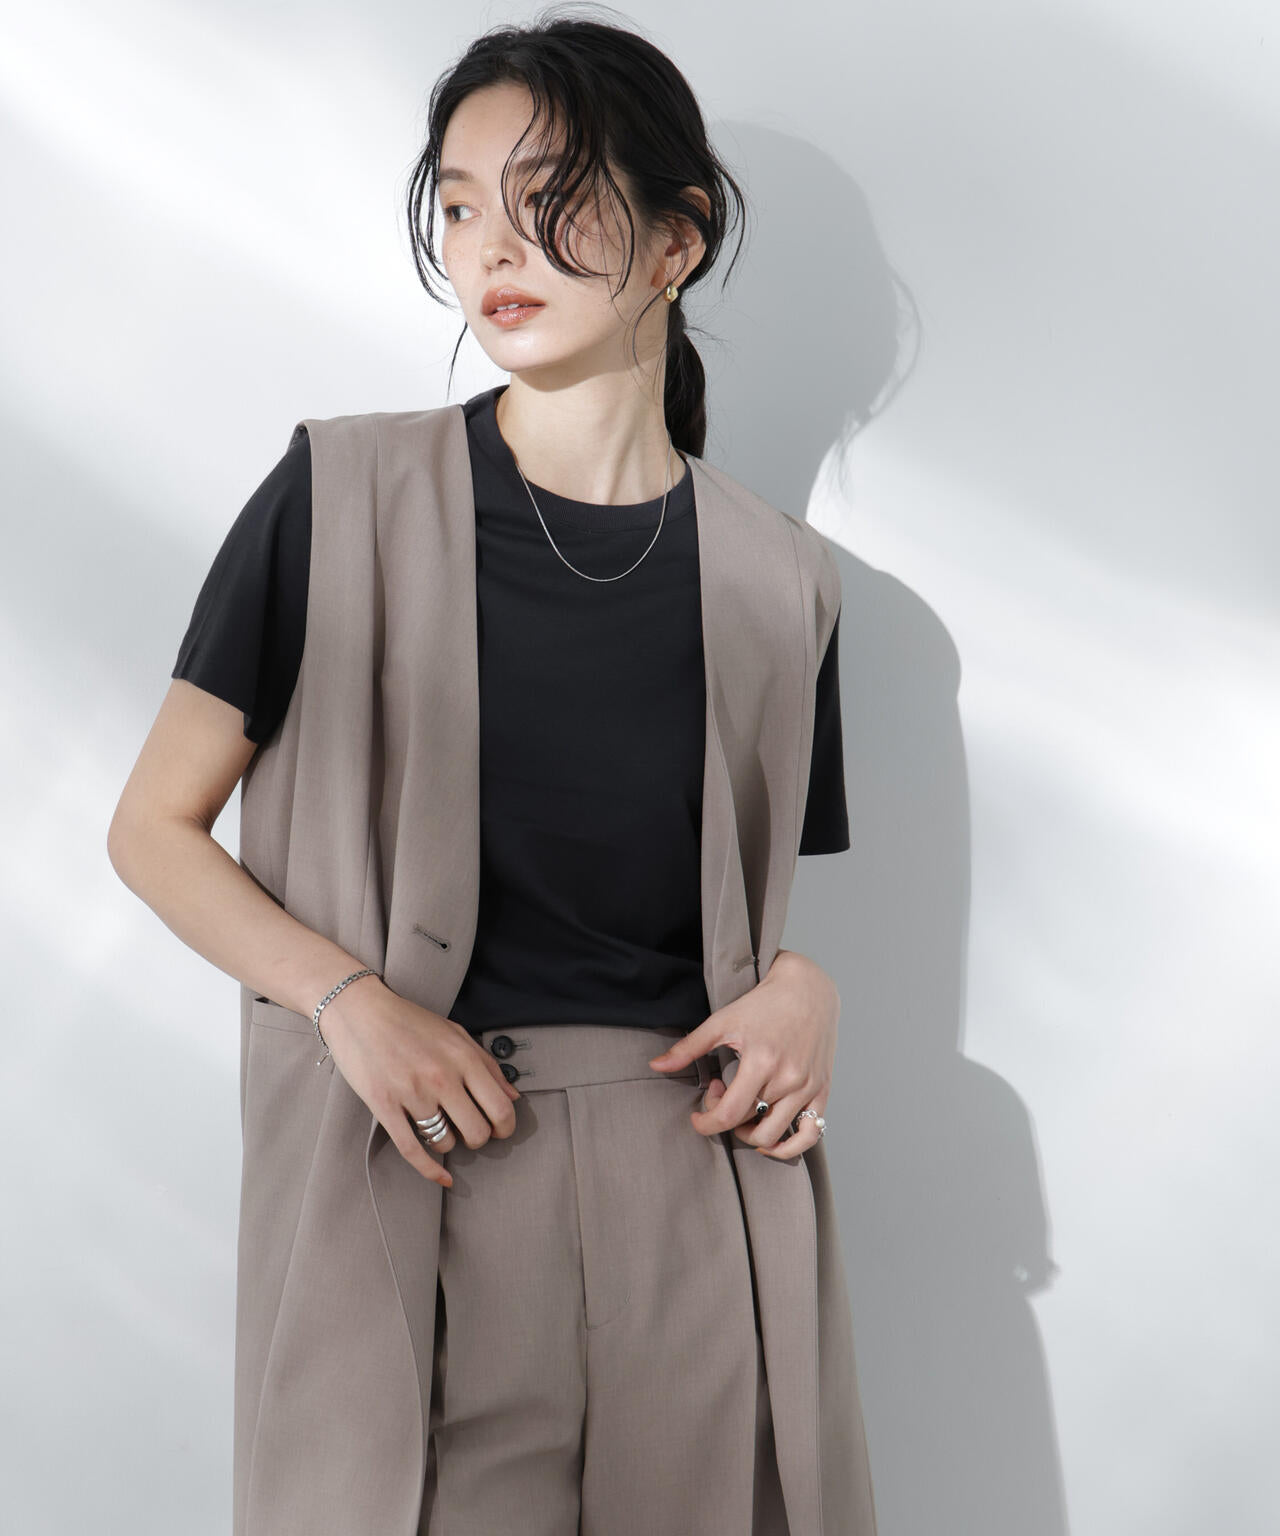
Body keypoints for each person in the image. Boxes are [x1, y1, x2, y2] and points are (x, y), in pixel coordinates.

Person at [107, 8, 878, 1534]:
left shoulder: (784, 581)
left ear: (677, 241)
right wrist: (347, 1003)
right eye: (460, 206)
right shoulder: (338, 493)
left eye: (551, 198)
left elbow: (731, 919)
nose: (493, 247)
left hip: (696, 1187)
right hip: (417, 1165)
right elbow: (154, 829)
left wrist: (808, 988)